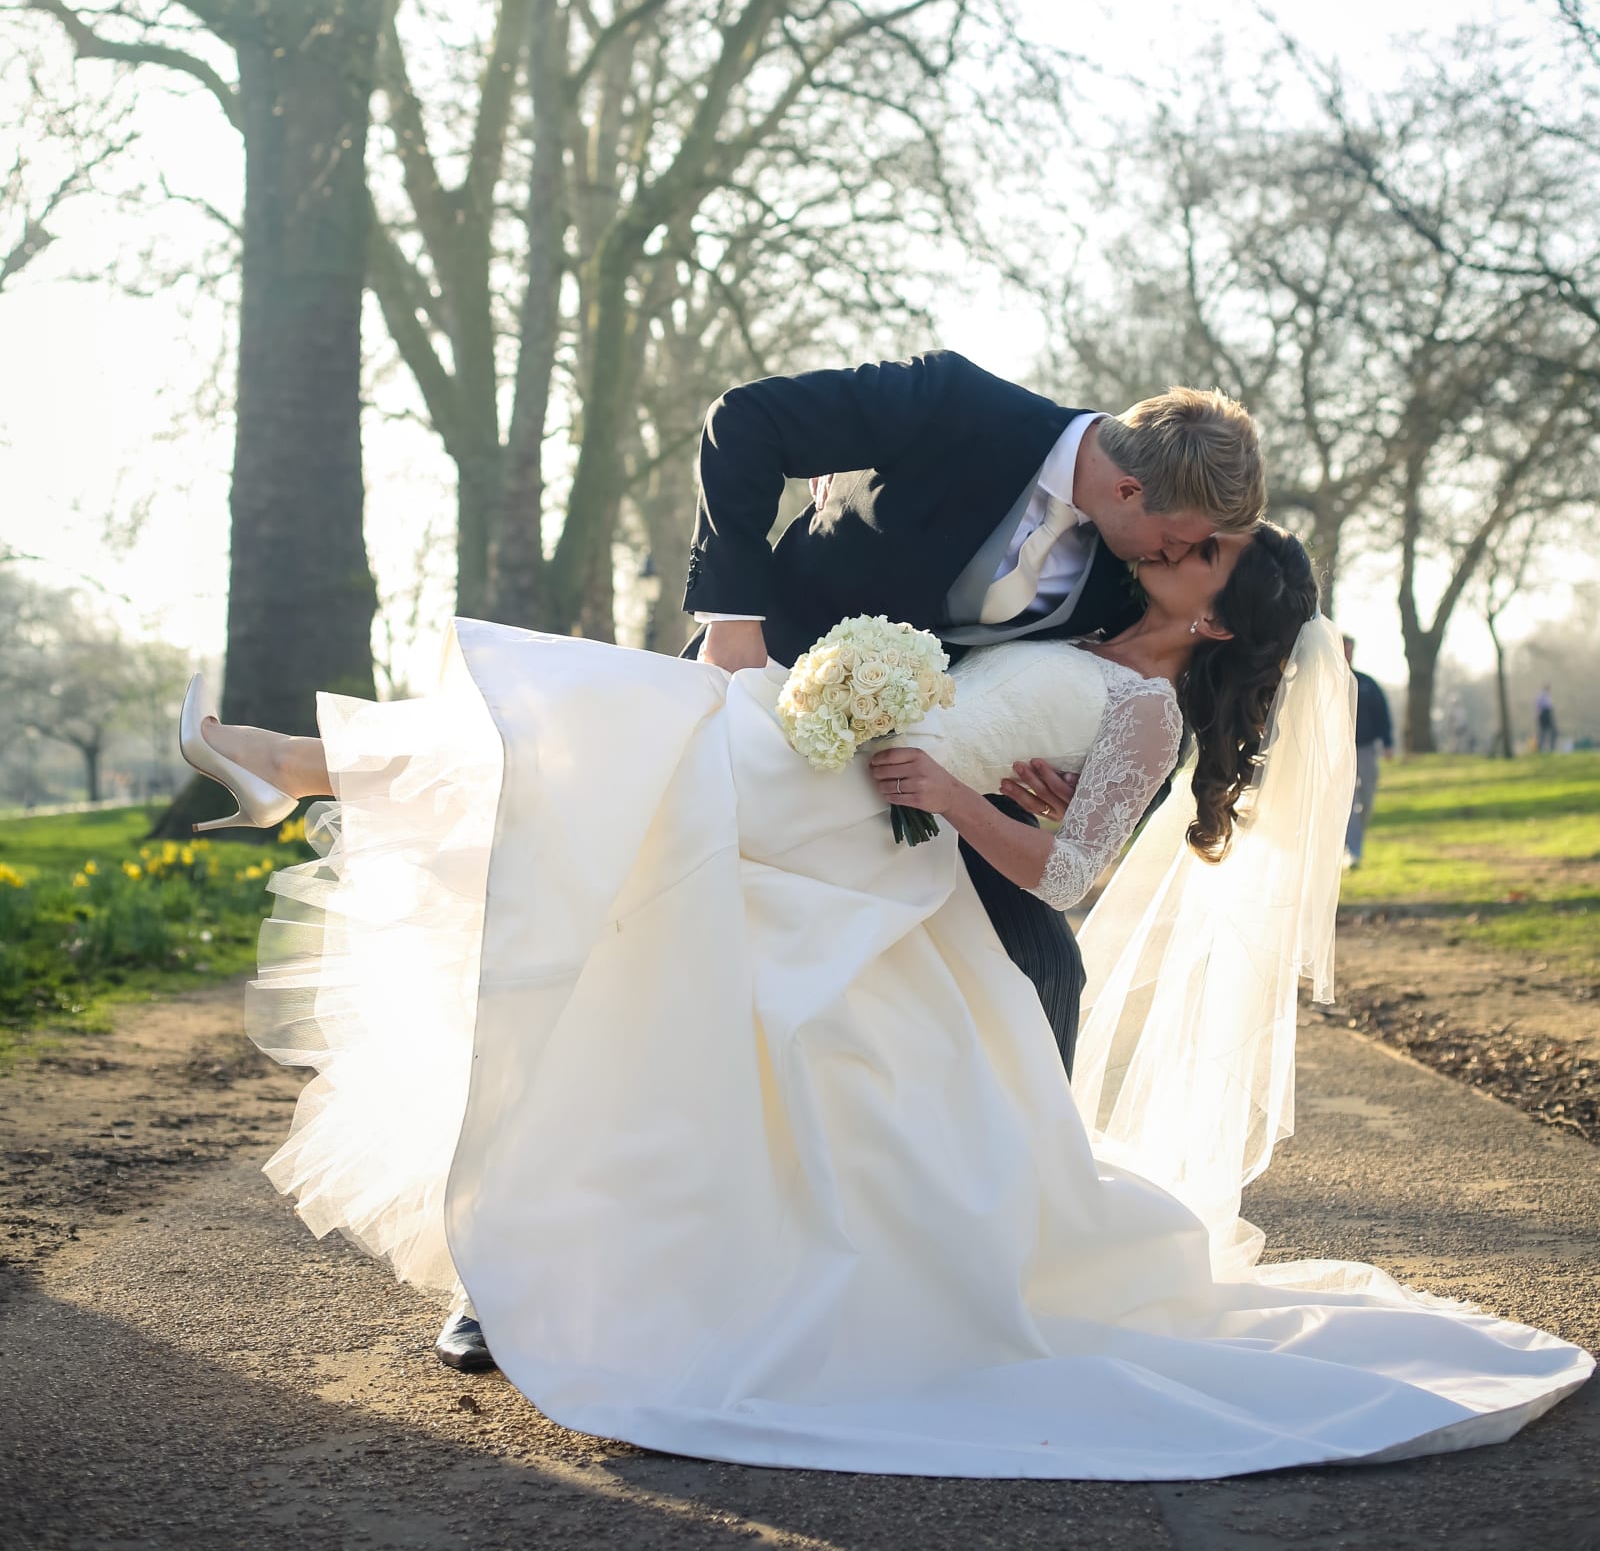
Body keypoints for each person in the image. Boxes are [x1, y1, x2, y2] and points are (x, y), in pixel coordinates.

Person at [179, 519, 1591, 1473]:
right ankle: (291, 764)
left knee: (600, 763)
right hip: (826, 774)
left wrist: (954, 798)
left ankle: (291, 766)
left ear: (1220, 618)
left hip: (863, 821)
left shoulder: (1149, 711)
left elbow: (1072, 874)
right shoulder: (1082, 622)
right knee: (598, 762)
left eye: (1206, 554)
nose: (1174, 545)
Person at [685, 355, 1265, 1080]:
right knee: (692, 911)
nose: (1173, 556)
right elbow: (745, 420)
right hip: (761, 692)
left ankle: (1029, 1147)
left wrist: (1082, 790)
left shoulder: (1127, 577)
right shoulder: (955, 404)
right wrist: (733, 617)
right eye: (1175, 540)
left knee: (1046, 969)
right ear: (1128, 489)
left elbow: (1146, 693)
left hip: (925, 783)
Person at [1342, 635, 1393, 869]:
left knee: (1368, 799)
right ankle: (1353, 851)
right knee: (1347, 801)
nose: (1347, 654)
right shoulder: (1329, 681)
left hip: (1366, 749)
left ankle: (1354, 838)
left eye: (1350, 650)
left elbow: (1382, 714)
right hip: (1340, 752)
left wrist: (1388, 743)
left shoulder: (1366, 684)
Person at [1536, 684, 1558, 753]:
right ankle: (1541, 748)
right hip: (1544, 715)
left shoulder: (1547, 696)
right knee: (1543, 732)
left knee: (1549, 732)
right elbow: (1538, 707)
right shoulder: (1542, 696)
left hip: (1547, 714)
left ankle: (1551, 748)